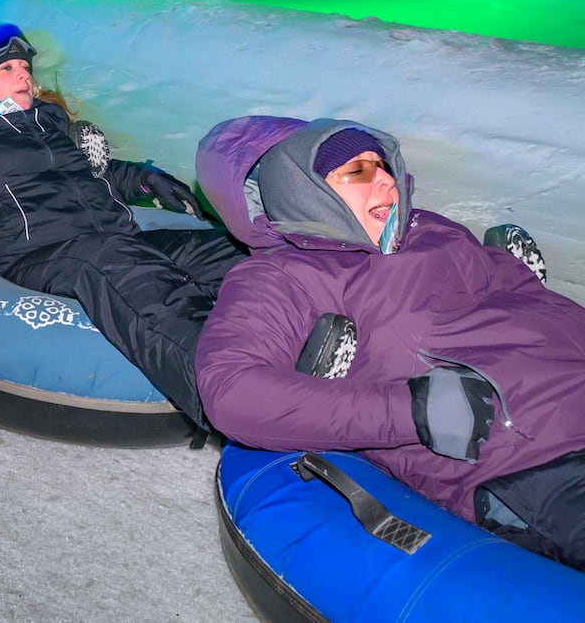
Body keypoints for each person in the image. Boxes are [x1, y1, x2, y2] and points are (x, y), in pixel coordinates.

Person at [194, 116, 585, 570]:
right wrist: (409, 410)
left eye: (382, 165)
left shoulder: (432, 229)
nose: (382, 177)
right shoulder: (285, 276)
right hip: (536, 459)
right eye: (355, 171)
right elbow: (234, 391)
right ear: (306, 192)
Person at [0, 24, 245, 428]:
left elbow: (91, 173)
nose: (24, 75)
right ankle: (232, 388)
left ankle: (299, 341)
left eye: (24, 67)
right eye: (7, 69)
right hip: (32, 252)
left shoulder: (50, 122)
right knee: (115, 262)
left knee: (223, 251)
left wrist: (142, 178)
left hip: (112, 234)